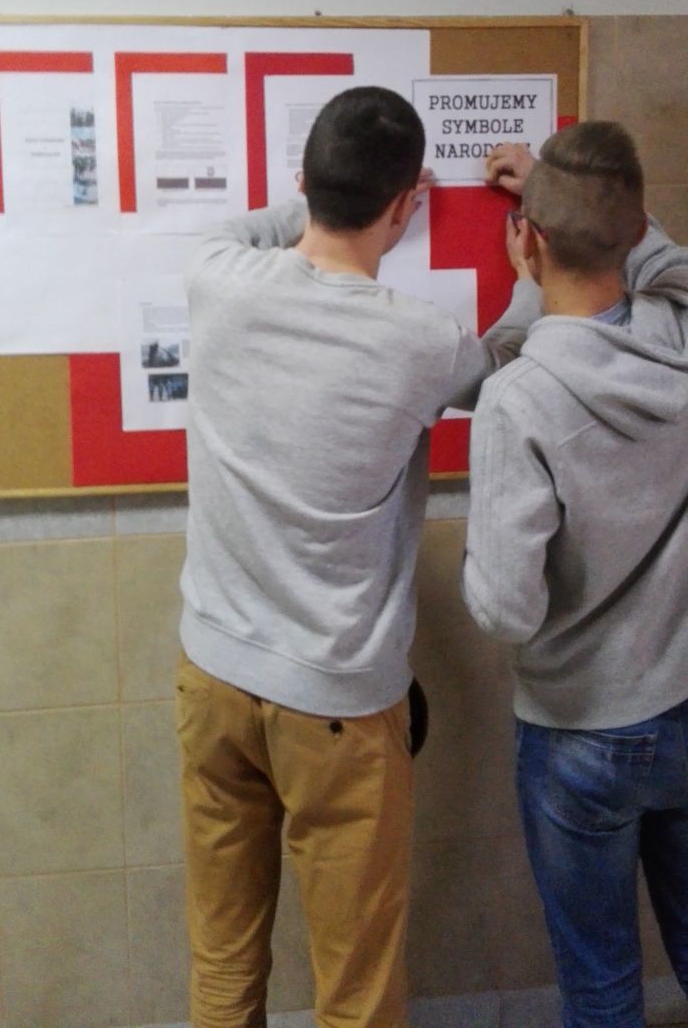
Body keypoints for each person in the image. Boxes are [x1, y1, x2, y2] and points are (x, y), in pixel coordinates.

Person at [175, 85, 540, 1028]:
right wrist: (530, 283)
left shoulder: (218, 276)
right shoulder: (417, 339)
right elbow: (506, 369)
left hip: (212, 677)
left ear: (303, 181)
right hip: (333, 699)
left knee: (223, 957)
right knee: (356, 987)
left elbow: (243, 227)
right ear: (405, 204)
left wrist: (324, 196)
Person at [462, 123, 688, 1028]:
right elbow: (662, 261)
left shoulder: (518, 397)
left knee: (600, 987)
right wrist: (585, 196)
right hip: (683, 701)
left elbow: (504, 610)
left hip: (580, 734)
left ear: (529, 239)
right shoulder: (677, 328)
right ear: (635, 233)